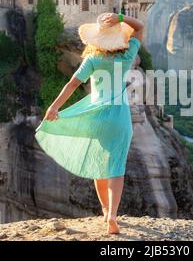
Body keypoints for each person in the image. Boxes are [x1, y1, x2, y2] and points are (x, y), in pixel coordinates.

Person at [34, 12, 144, 234]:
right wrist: (121, 17)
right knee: (116, 167)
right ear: (119, 37)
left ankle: (104, 212)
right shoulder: (127, 55)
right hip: (120, 116)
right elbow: (140, 28)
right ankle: (113, 215)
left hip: (97, 117)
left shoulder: (92, 60)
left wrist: (54, 107)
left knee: (99, 164)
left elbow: (72, 85)